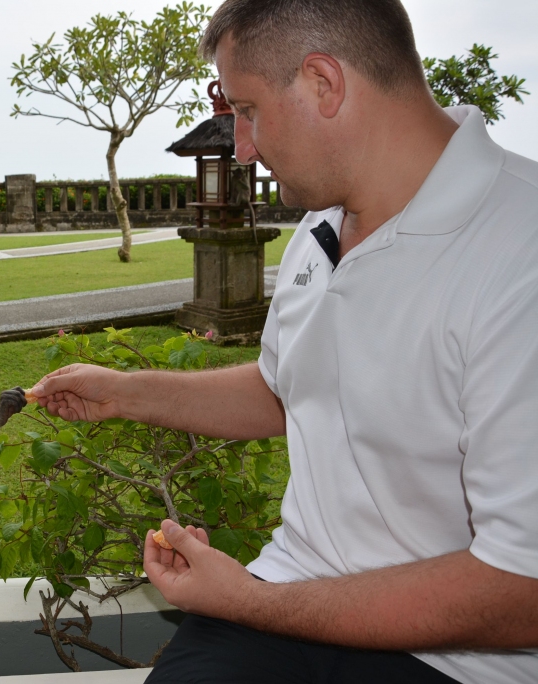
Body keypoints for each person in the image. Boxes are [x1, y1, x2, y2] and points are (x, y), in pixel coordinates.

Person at [31, 1, 538, 682]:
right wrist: (124, 393)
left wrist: (243, 599)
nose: (242, 147)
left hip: (461, 660)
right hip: (288, 596)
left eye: (248, 111)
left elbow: (521, 589)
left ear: (323, 83)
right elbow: (289, 387)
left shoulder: (521, 250)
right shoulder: (322, 227)